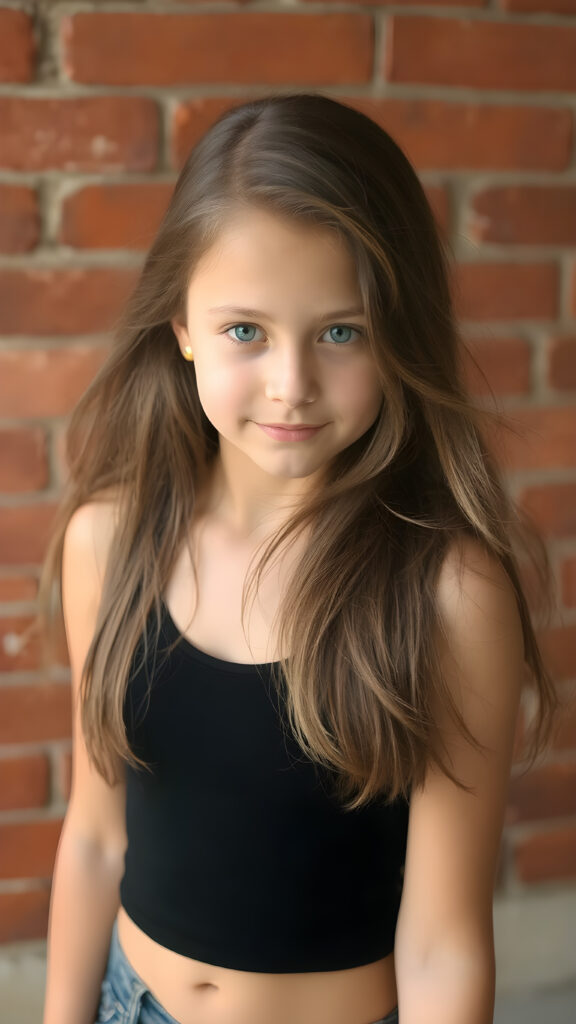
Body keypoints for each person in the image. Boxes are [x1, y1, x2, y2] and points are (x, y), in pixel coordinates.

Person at [38, 92, 557, 1024]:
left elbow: (443, 946)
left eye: (341, 332)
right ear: (183, 329)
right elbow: (94, 840)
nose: (292, 385)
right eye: (246, 330)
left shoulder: (445, 594)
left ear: (400, 334)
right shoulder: (108, 543)